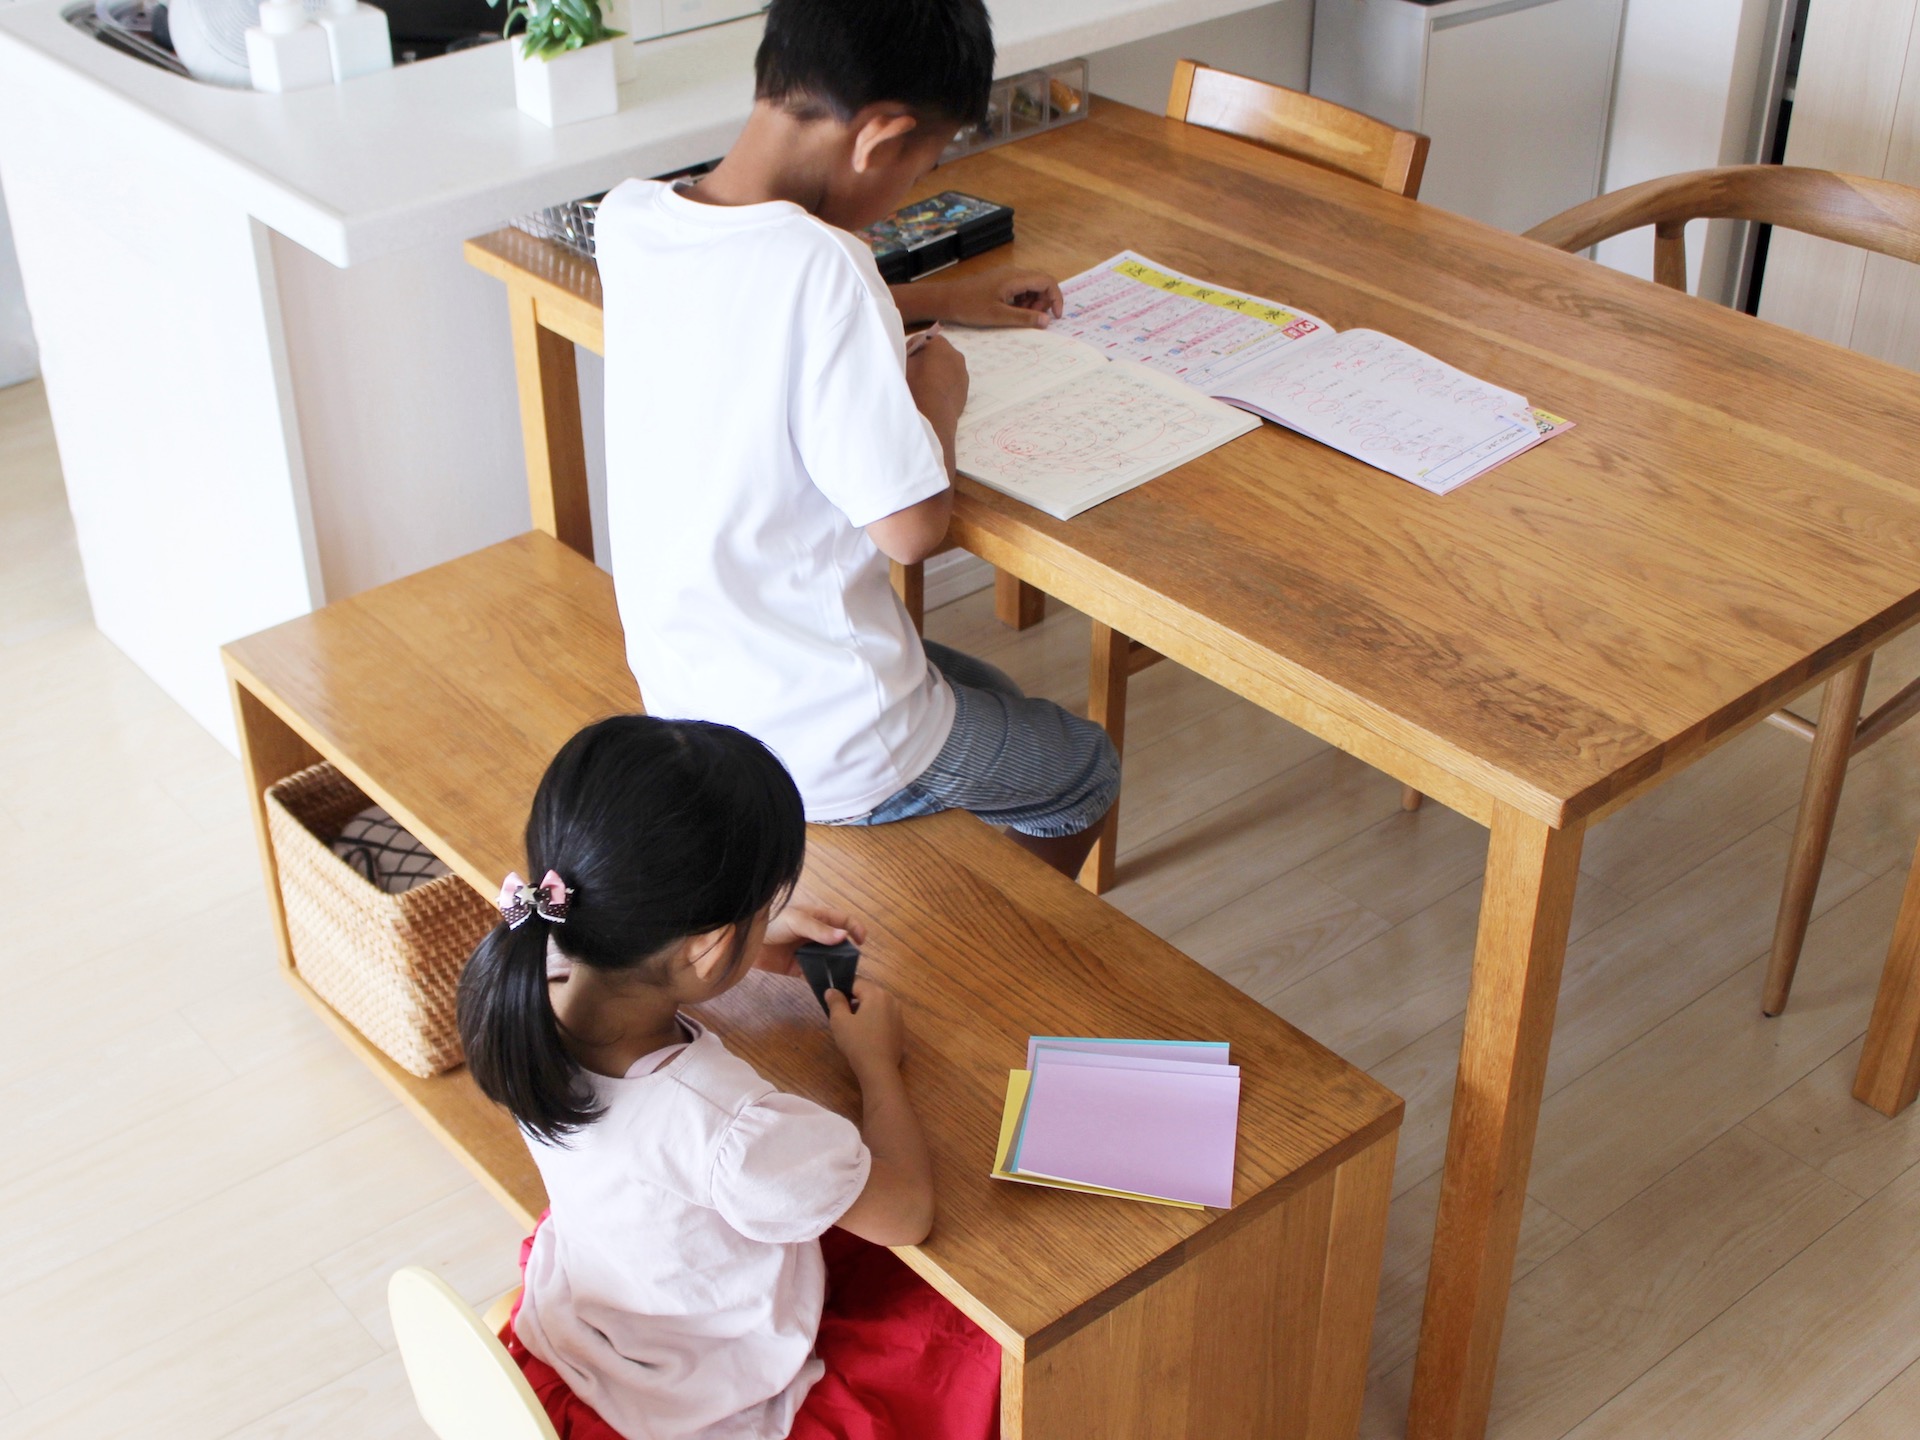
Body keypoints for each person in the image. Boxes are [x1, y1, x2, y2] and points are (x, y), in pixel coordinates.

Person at [593, 0, 1120, 879]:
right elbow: (911, 530)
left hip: (695, 694)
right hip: (827, 739)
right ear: (880, 139)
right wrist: (937, 394)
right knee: (1082, 768)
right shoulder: (827, 267)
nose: (909, 190)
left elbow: (757, 308)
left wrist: (941, 298)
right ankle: (988, 933)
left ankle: (948, 873)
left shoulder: (631, 217)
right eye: (924, 167)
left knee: (993, 693)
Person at [457, 715, 1001, 1440]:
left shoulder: (529, 979)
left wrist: (746, 943)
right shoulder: (728, 1128)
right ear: (706, 948)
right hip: (707, 1393)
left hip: (599, 1315)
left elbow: (639, 979)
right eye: (763, 908)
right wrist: (876, 1066)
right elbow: (906, 1215)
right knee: (985, 1337)